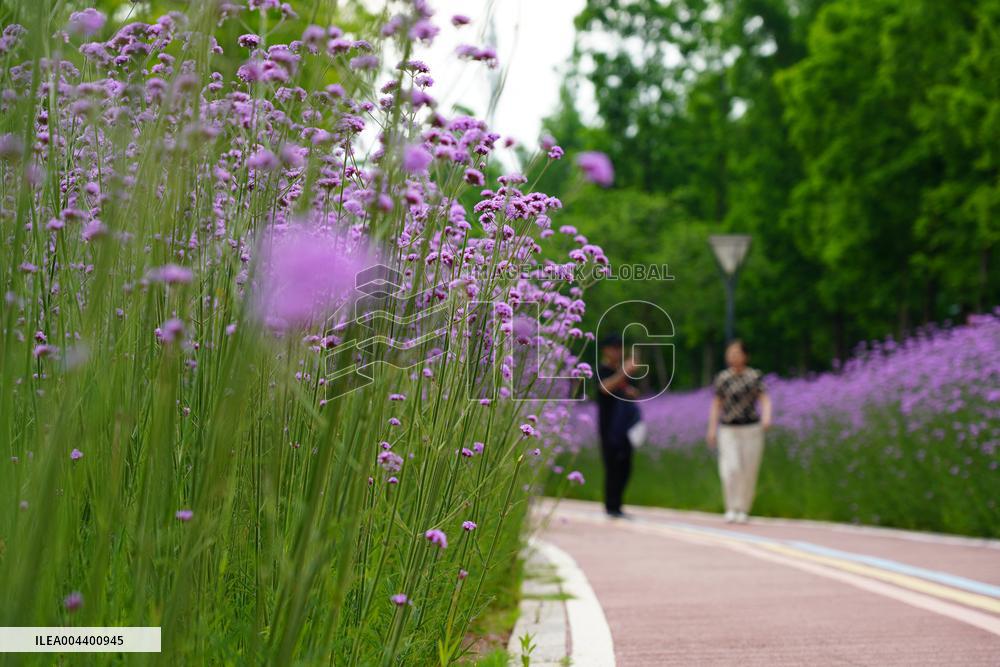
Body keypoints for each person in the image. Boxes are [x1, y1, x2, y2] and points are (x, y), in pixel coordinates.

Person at [706, 339, 772, 524]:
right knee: (731, 468)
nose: (733, 356)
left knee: (748, 469)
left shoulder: (754, 376)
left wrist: (767, 417)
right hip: (728, 428)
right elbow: (716, 404)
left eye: (737, 353)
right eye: (730, 353)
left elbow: (764, 399)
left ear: (745, 355)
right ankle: (731, 506)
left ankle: (743, 508)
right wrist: (711, 429)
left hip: (751, 428)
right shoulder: (722, 378)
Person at [596, 334, 642, 518]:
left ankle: (618, 505)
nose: (618, 351)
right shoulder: (603, 369)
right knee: (612, 466)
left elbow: (629, 391)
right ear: (606, 350)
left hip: (625, 427)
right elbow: (604, 387)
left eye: (620, 348)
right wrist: (625, 371)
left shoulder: (620, 372)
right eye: (614, 347)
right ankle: (611, 506)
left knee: (625, 466)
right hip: (608, 428)